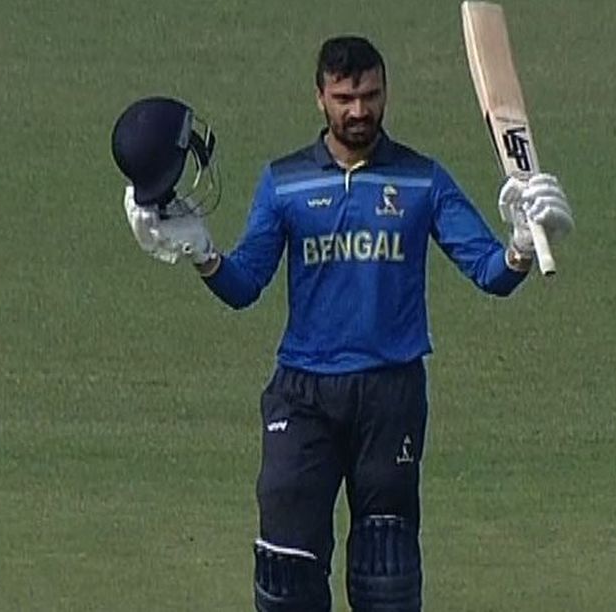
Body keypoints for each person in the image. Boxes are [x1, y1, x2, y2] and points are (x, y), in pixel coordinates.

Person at [122, 36, 573, 611]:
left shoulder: (422, 181)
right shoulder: (284, 182)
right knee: (285, 571)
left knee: (387, 574)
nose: (358, 111)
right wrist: (202, 255)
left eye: (370, 95)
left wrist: (521, 247)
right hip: (303, 393)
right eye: (344, 98)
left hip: (391, 393)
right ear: (320, 99)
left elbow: (489, 273)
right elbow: (244, 288)